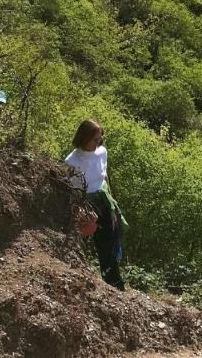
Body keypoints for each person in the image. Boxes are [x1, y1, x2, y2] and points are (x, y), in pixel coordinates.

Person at [64, 119, 126, 289]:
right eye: (94, 140)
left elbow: (104, 178)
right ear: (84, 138)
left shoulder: (102, 152)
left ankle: (114, 284)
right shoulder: (72, 161)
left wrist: (112, 206)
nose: (98, 143)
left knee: (109, 243)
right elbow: (71, 189)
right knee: (81, 241)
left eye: (100, 140)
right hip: (86, 203)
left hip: (104, 200)